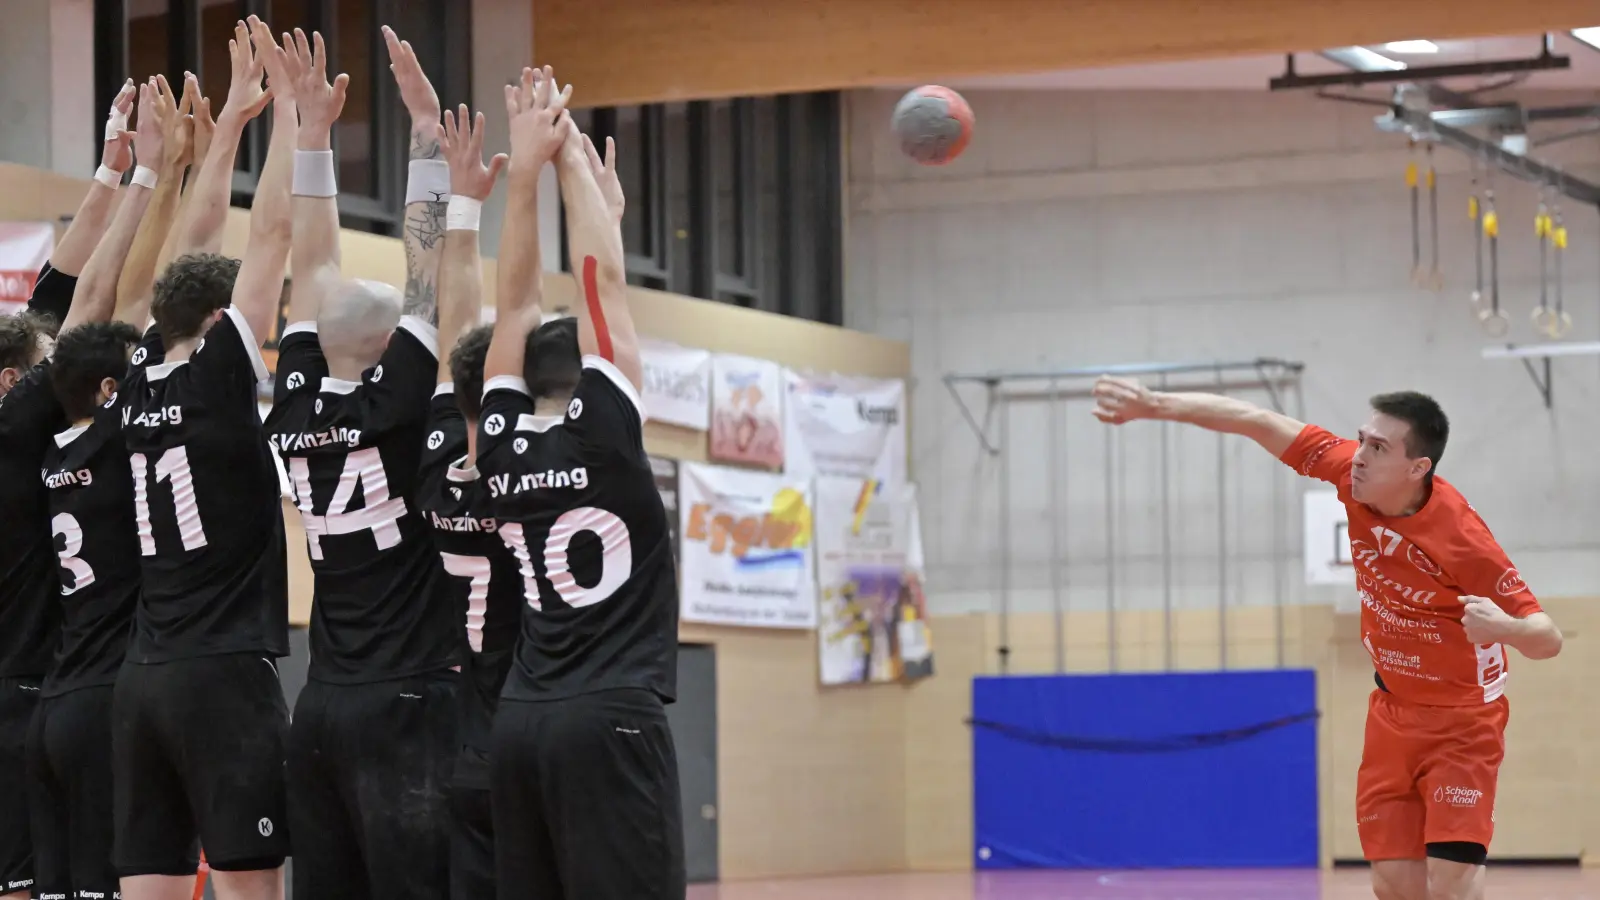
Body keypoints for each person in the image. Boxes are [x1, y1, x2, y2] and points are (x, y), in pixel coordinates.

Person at [1091, 376, 1563, 900]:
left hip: (1463, 724)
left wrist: (1506, 628)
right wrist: (1156, 405)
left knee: (1450, 887)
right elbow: (1259, 421)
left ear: (1417, 468)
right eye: (1361, 439)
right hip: (1393, 713)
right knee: (1393, 886)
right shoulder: (1349, 472)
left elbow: (1548, 638)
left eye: (1378, 448)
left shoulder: (1462, 537)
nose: (1359, 455)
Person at [264, 27, 466, 900]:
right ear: (388, 348)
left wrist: (312, 137)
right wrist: (425, 133)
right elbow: (430, 273)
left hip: (323, 699)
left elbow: (315, 264)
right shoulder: (397, 404)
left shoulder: (296, 401)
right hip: (404, 697)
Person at [477, 66, 685, 900]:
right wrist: (571, 166)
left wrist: (525, 170)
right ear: (597, 372)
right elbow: (604, 284)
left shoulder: (495, 443)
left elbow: (516, 302)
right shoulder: (607, 433)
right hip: (610, 718)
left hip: (521, 721)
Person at [112, 19, 294, 900]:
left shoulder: (141, 372)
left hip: (140, 678)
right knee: (249, 886)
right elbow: (266, 242)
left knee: (147, 885)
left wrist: (225, 132)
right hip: (223, 674)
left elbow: (192, 255)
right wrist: (295, 120)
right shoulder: (223, 376)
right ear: (224, 328)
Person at [0, 74, 152, 900]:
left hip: (41, 692)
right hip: (28, 691)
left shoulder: (18, 424)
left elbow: (53, 298)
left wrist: (108, 173)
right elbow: (83, 313)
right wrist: (148, 182)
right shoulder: (13, 426)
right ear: (8, 387)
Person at [412, 105, 520, 900]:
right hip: (527, 723)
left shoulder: (436, 457)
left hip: (455, 731)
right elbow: (497, 327)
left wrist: (462, 207)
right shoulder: (534, 470)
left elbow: (462, 328)